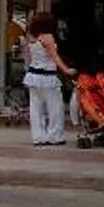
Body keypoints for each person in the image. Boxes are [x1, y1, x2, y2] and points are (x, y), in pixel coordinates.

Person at [23, 11, 72, 146]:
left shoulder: (31, 37)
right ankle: (55, 136)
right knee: (55, 107)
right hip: (48, 76)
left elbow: (28, 57)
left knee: (36, 108)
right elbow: (54, 57)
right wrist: (66, 70)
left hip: (33, 75)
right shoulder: (48, 37)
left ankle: (38, 137)